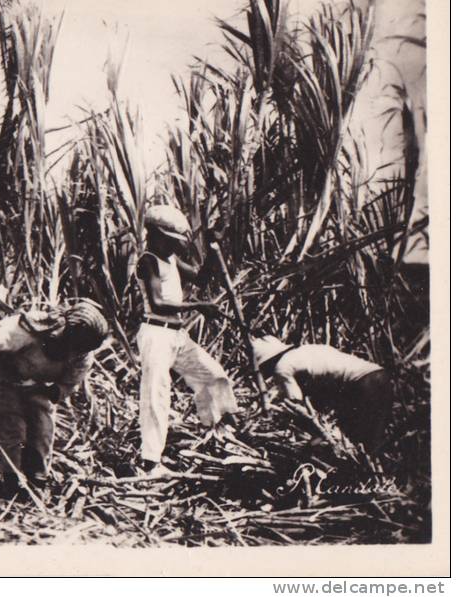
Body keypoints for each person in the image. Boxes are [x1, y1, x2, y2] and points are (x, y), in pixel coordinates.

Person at [133, 204, 238, 477]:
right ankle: (151, 462)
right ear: (155, 234)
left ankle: (217, 432)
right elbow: (156, 303)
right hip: (156, 334)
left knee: (213, 375)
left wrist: (214, 245)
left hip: (177, 336)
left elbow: (202, 278)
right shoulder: (148, 260)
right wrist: (198, 306)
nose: (173, 246)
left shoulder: (171, 260)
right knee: (156, 395)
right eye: (170, 240)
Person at [0, 299, 109, 493]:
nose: (75, 352)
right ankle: (10, 479)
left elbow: (67, 384)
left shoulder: (84, 352)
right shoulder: (30, 327)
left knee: (43, 427)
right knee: (10, 426)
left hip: (37, 385)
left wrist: (41, 391)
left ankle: (37, 480)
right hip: (1, 373)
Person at [252, 335, 393, 453]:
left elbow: (296, 404)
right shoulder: (307, 350)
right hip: (379, 375)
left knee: (360, 442)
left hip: (362, 384)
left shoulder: (282, 367)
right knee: (372, 439)